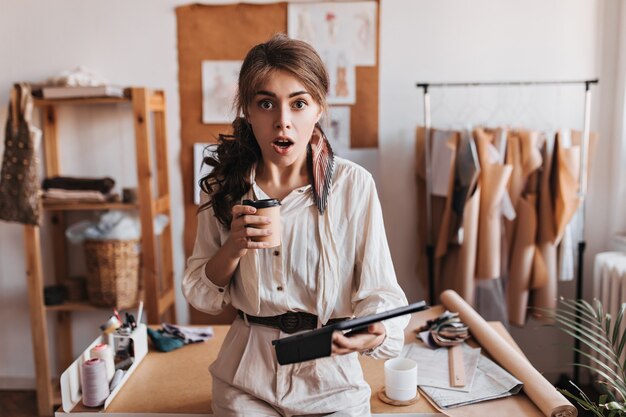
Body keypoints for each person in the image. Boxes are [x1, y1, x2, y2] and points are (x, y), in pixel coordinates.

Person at [183, 33, 409, 417]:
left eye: (299, 103)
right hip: (245, 380)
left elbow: (381, 291)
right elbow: (202, 294)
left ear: (319, 108)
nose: (283, 121)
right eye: (266, 104)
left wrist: (376, 330)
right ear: (248, 111)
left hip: (331, 380)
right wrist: (234, 246)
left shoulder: (353, 186)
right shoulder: (224, 187)